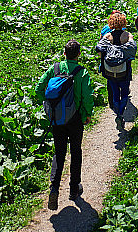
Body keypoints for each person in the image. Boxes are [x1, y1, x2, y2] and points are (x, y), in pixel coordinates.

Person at [34, 39, 94, 210]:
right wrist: (86, 115)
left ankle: (54, 187)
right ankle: (74, 189)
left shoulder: (55, 68)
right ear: (79, 54)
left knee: (58, 153)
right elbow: (87, 97)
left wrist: (49, 108)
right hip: (75, 119)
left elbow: (39, 88)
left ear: (64, 53)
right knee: (76, 152)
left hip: (57, 119)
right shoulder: (82, 73)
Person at [96, 11, 136, 131]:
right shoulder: (127, 35)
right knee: (124, 94)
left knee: (115, 93)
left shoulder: (107, 36)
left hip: (110, 71)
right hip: (124, 71)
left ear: (111, 23)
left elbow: (99, 50)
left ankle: (117, 112)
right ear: (123, 22)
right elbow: (132, 51)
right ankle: (120, 115)